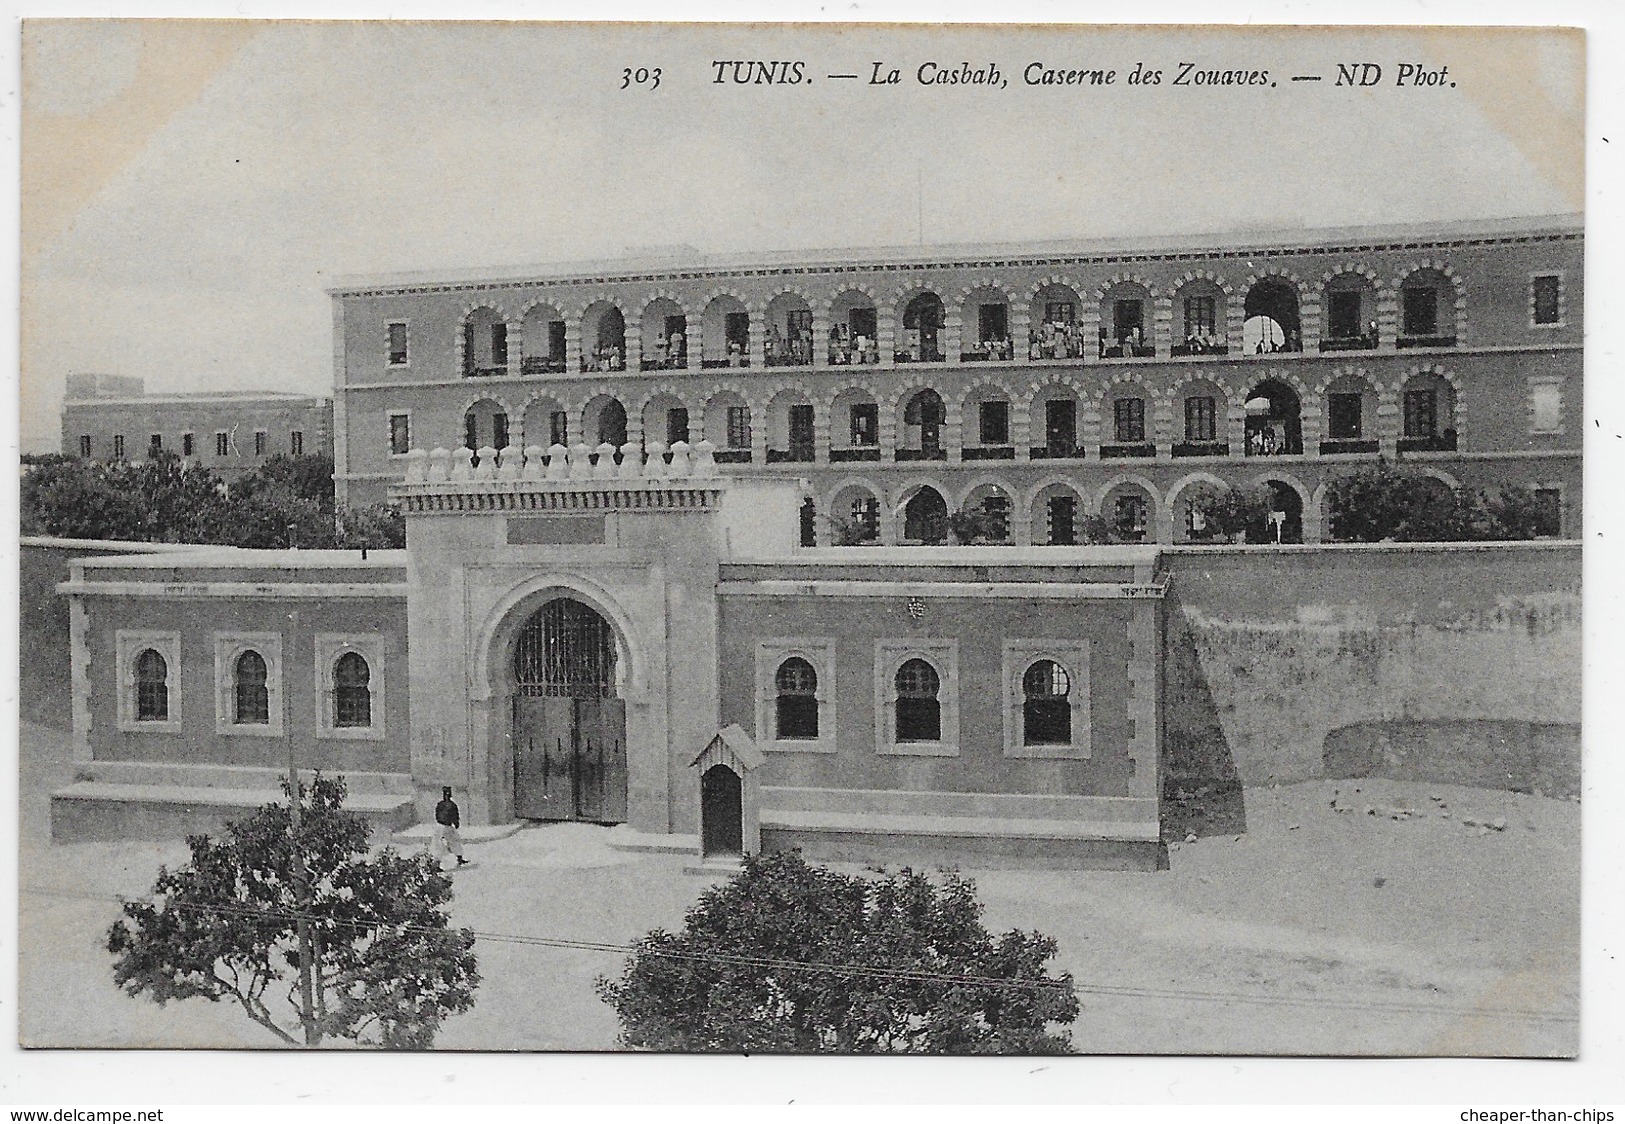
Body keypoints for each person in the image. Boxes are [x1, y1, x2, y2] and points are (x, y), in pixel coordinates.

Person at [435, 786, 468, 867]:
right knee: (448, 843)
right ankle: (437, 864)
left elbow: (437, 815)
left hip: (442, 827)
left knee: (446, 843)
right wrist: (456, 823)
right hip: (446, 826)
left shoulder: (440, 804)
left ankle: (459, 858)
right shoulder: (451, 805)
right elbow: (455, 816)